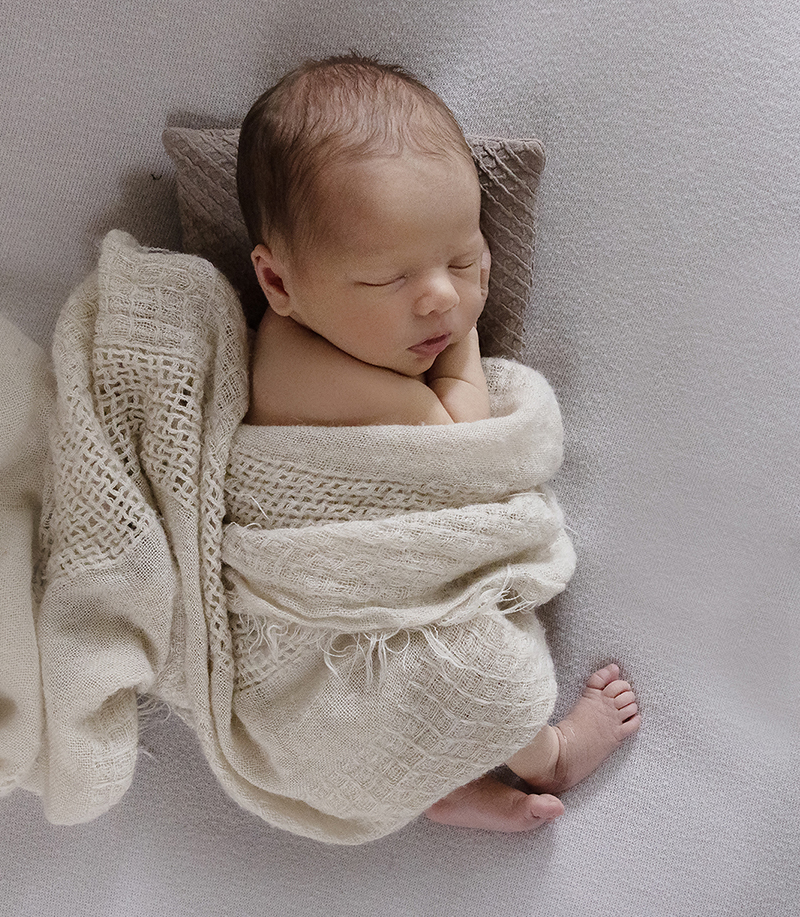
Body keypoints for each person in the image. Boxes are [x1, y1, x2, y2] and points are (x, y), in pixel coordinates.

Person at [236, 55, 640, 831]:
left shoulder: (322, 333)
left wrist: (431, 303)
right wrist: (464, 344)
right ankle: (545, 751)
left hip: (380, 597)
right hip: (320, 620)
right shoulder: (300, 369)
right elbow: (464, 455)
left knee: (428, 676)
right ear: (279, 284)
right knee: (475, 669)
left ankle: (440, 790)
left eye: (463, 259)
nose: (442, 298)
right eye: (388, 279)